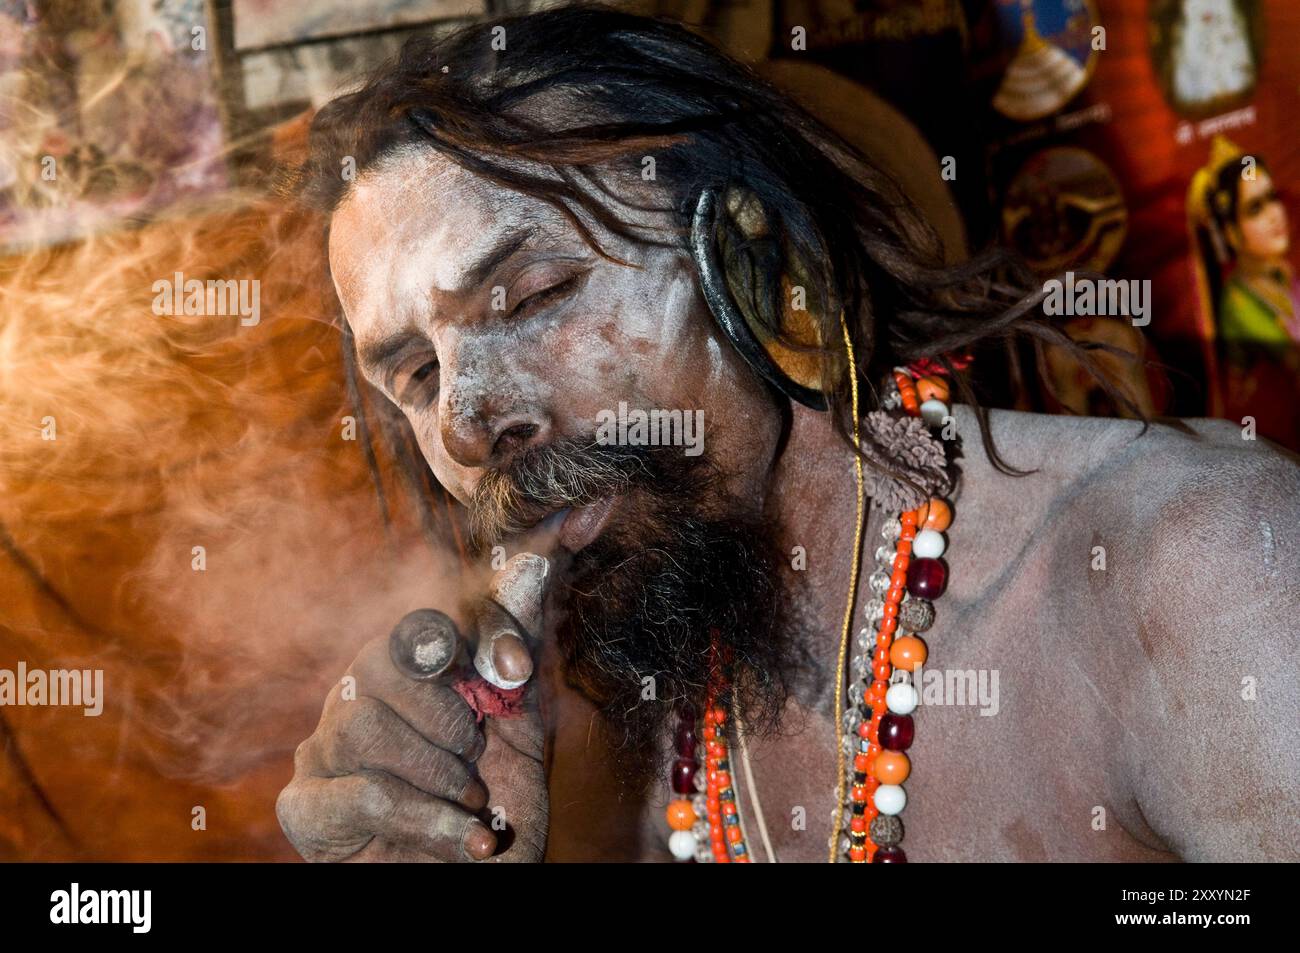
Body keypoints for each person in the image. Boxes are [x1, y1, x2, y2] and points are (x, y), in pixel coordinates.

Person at [275, 7, 1299, 862]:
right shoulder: (605, 734)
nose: (463, 421)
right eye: (416, 376)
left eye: (534, 293)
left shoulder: (1201, 568)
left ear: (764, 265)